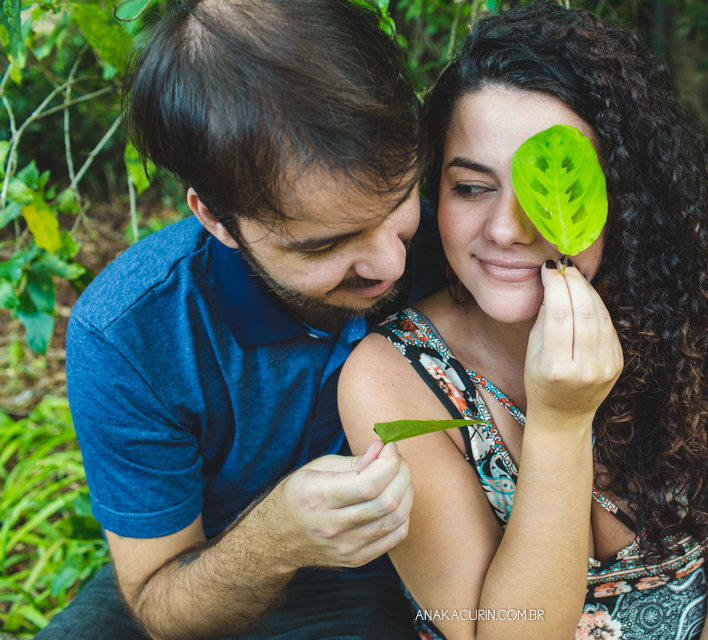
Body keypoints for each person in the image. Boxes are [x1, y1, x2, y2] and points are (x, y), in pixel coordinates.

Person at [339, 3, 708, 639]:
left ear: (627, 195)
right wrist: (560, 422)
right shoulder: (393, 381)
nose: (506, 229)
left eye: (553, 190)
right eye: (472, 188)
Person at [42, 1, 446, 639]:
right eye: (322, 246)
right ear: (215, 218)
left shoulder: (458, 239)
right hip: (214, 565)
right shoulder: (130, 334)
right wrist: (278, 539)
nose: (391, 263)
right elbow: (159, 596)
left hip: (404, 569)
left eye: (397, 201)